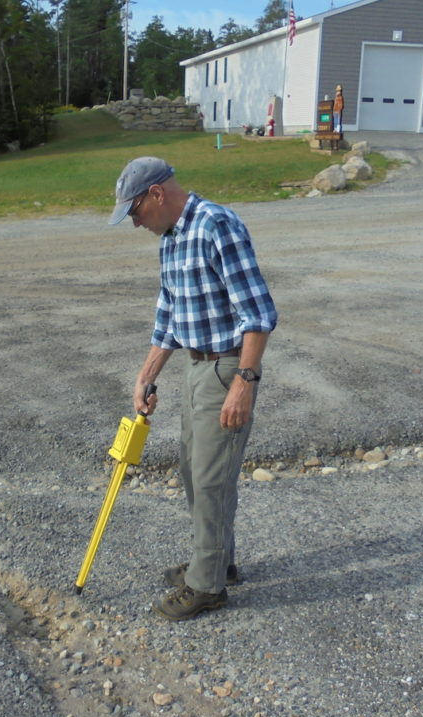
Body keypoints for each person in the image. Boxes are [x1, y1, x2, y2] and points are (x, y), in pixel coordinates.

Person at [108, 157, 278, 621]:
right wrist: (147, 375)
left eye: (136, 211)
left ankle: (207, 586)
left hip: (226, 369)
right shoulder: (171, 239)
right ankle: (217, 560)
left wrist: (244, 381)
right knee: (194, 471)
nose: (135, 222)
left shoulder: (215, 225)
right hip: (196, 368)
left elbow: (258, 312)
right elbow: (169, 314)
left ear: (157, 195)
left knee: (209, 478)